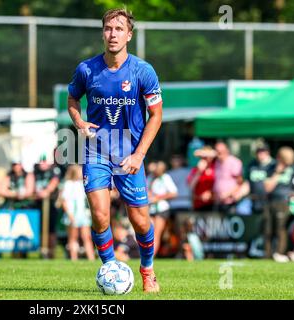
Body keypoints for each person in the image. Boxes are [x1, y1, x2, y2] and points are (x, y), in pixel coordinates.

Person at [67, 8, 163, 293]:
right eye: (109, 28)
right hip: (96, 149)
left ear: (129, 35)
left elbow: (156, 115)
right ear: (102, 32)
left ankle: (147, 269)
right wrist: (79, 121)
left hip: (129, 152)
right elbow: (73, 98)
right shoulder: (87, 69)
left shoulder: (142, 71)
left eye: (119, 29)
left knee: (140, 220)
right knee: (99, 214)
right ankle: (110, 268)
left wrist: (139, 155)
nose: (113, 34)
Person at [264, 147, 294, 262]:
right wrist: (277, 172)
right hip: (270, 201)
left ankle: (280, 253)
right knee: (268, 229)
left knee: (281, 228)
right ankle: (268, 254)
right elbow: (267, 187)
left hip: (285, 202)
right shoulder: (272, 168)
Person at [60, 165, 94, 261]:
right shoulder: (68, 184)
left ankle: (91, 258)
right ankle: (73, 258)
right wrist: (70, 214)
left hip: (82, 213)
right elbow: (64, 201)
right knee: (73, 237)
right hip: (72, 214)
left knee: (86, 237)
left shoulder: (82, 184)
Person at [33, 155, 61, 259]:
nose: (42, 163)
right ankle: (42, 250)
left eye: (44, 161)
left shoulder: (54, 170)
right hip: (38, 204)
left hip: (50, 204)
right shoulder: (36, 171)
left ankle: (51, 252)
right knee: (39, 229)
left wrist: (46, 191)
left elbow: (54, 183)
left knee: (51, 230)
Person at [148, 161, 178, 257]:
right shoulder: (150, 177)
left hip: (162, 209)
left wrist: (158, 198)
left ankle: (151, 256)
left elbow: (174, 193)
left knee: (157, 233)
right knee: (149, 232)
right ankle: (146, 254)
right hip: (150, 209)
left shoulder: (165, 178)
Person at [241, 144, 275, 213]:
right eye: (258, 152)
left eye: (262, 151)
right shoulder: (252, 165)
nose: (260, 154)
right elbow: (247, 182)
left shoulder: (273, 165)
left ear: (267, 152)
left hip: (269, 200)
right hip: (253, 200)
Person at [213, 142, 243, 213]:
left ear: (227, 150)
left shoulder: (234, 162)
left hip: (231, 202)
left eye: (221, 151)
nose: (219, 154)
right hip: (218, 202)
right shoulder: (216, 162)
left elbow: (240, 182)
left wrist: (227, 194)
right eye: (217, 152)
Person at [187, 146, 217, 211]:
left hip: (214, 205)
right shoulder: (195, 170)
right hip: (198, 205)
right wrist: (199, 172)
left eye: (208, 156)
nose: (206, 158)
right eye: (203, 157)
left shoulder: (216, 168)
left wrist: (210, 193)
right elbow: (191, 186)